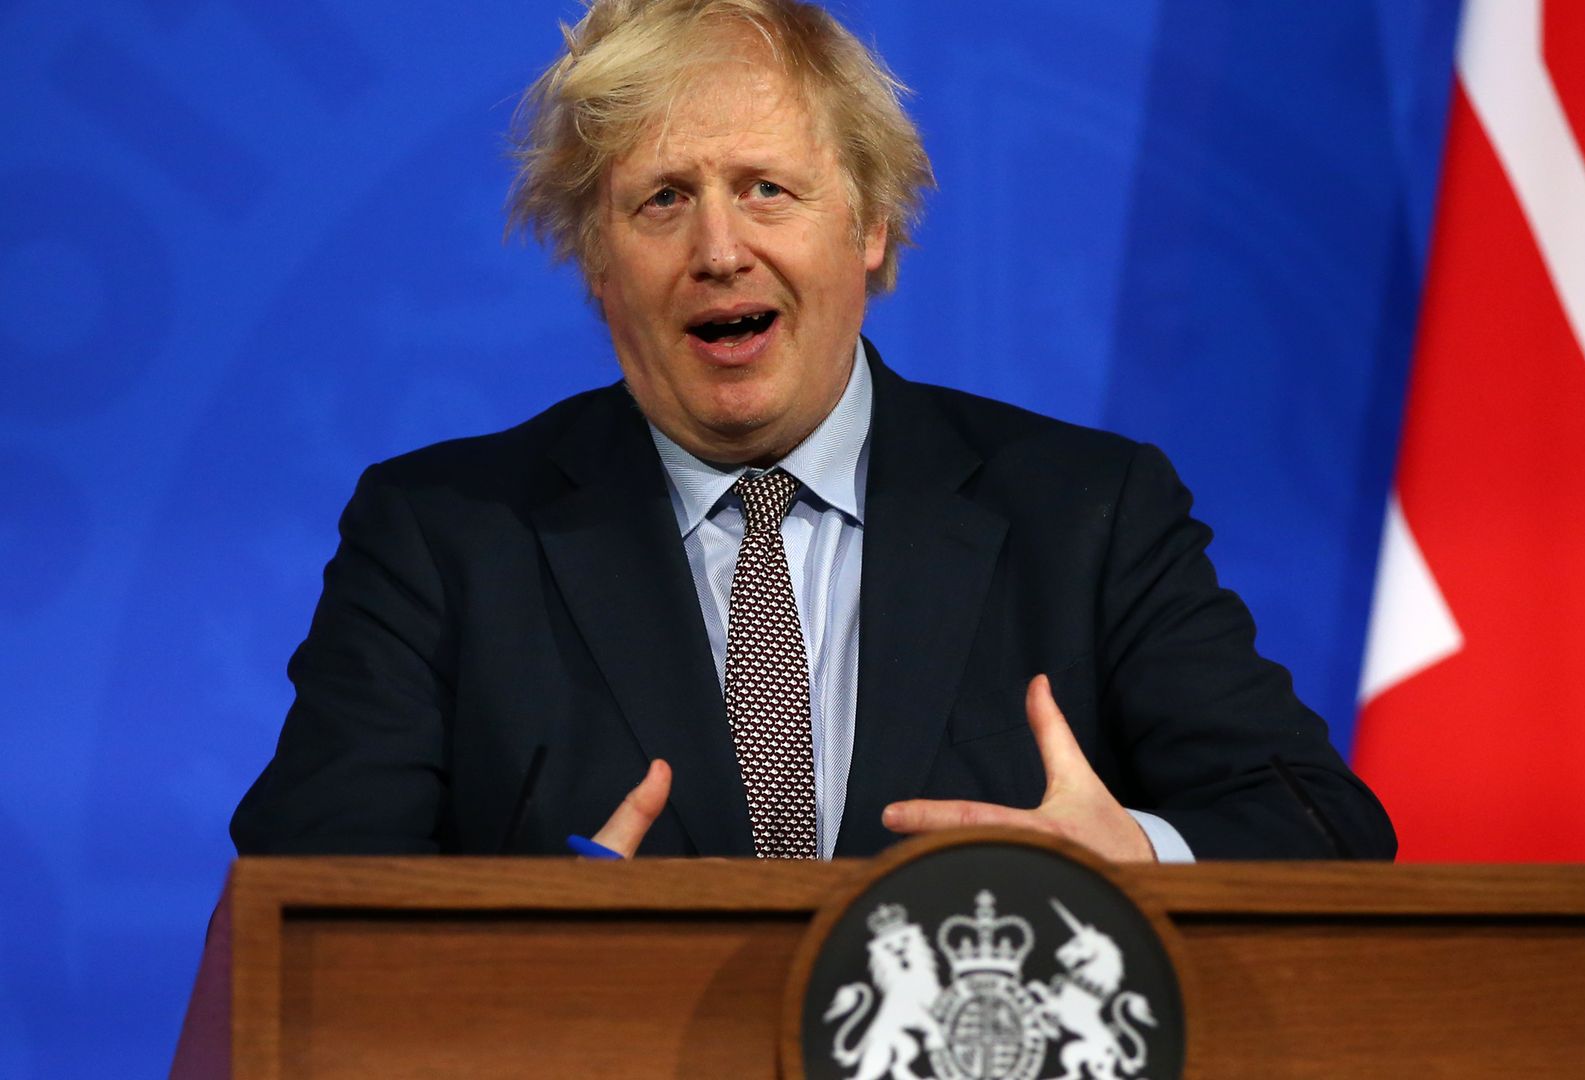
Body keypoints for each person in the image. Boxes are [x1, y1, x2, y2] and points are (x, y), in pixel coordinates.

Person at [229, 0, 1394, 864]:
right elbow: (306, 889)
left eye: (767, 189)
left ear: (872, 226)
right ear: (594, 262)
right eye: (662, 199)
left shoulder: (1085, 515)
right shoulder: (444, 536)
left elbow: (1322, 828)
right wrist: (532, 931)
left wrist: (1133, 860)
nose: (720, 249)